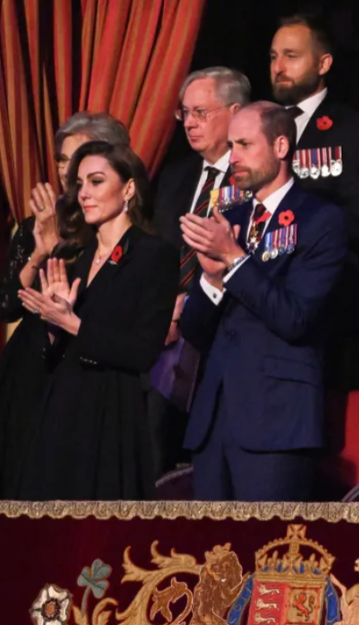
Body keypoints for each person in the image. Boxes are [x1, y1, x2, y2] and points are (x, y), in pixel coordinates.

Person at [179, 101, 347, 501]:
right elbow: (194, 331)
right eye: (231, 146)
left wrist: (235, 260)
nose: (233, 157)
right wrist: (211, 278)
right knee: (208, 557)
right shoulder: (229, 218)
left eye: (244, 144)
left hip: (275, 421)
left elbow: (295, 318)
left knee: (268, 555)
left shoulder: (320, 220)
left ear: (281, 146)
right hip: (214, 419)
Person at [0, 113, 130, 499]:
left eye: (78, 159)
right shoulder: (38, 224)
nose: (66, 170)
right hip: (28, 368)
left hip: (80, 369)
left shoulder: (119, 228)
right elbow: (6, 305)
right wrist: (41, 251)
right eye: (62, 159)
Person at [13, 141, 179, 499]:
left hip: (111, 410)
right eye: (81, 183)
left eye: (96, 181)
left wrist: (73, 324)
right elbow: (54, 351)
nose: (84, 194)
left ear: (129, 188)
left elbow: (143, 351)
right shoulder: (81, 257)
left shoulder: (154, 255)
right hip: (61, 406)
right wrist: (54, 324)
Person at [148, 67, 249, 481]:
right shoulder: (176, 176)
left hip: (222, 330)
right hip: (164, 336)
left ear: (235, 112)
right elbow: (156, 254)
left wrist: (189, 304)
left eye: (201, 113)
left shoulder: (252, 177)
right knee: (155, 446)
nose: (189, 123)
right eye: (184, 113)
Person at [271, 12, 359, 390]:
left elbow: (356, 220)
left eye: (290, 55)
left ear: (324, 63)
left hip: (325, 304)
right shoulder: (260, 126)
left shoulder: (352, 130)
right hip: (261, 303)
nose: (279, 67)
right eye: (273, 57)